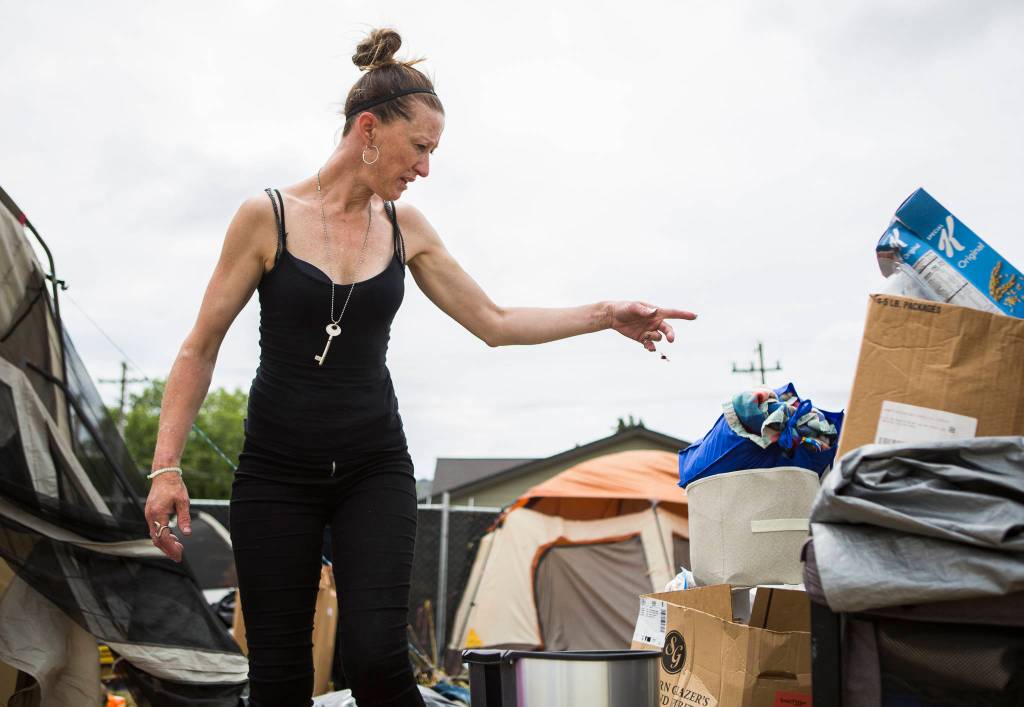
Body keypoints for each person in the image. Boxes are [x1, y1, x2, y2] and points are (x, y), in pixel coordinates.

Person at [144, 27, 696, 707]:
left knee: (377, 661)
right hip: (276, 473)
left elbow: (494, 323)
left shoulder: (408, 228)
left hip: (373, 469)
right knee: (281, 676)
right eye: (421, 148)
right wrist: (166, 464)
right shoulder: (268, 217)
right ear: (369, 130)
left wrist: (607, 312)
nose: (426, 168)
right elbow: (200, 345)